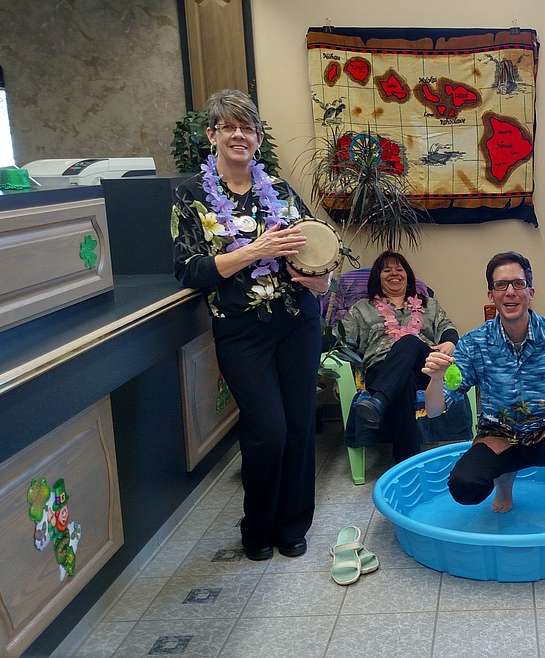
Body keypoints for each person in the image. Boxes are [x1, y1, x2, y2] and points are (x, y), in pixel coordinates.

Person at [172, 89, 333, 562]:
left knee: (301, 425)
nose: (239, 135)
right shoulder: (191, 196)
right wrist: (252, 252)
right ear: (213, 136)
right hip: (241, 330)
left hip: (297, 323)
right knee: (268, 431)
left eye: (247, 128)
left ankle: (293, 525)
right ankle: (258, 527)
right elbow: (189, 269)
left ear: (258, 139)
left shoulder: (280, 191)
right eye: (229, 127)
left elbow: (316, 251)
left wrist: (321, 280)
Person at [422, 251, 545, 528]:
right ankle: (505, 481)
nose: (510, 292)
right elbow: (436, 411)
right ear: (491, 294)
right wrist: (436, 379)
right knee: (464, 487)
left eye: (518, 284)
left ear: (530, 292)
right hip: (500, 438)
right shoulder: (474, 343)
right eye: (501, 285)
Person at [340, 250, 459, 462]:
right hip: (381, 368)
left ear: (407, 275)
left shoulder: (428, 304)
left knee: (410, 340)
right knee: (403, 384)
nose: (394, 273)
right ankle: (408, 464)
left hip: (425, 367)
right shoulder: (362, 308)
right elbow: (343, 339)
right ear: (378, 277)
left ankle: (379, 400)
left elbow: (447, 327)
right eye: (387, 270)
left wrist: (449, 342)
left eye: (399, 269)